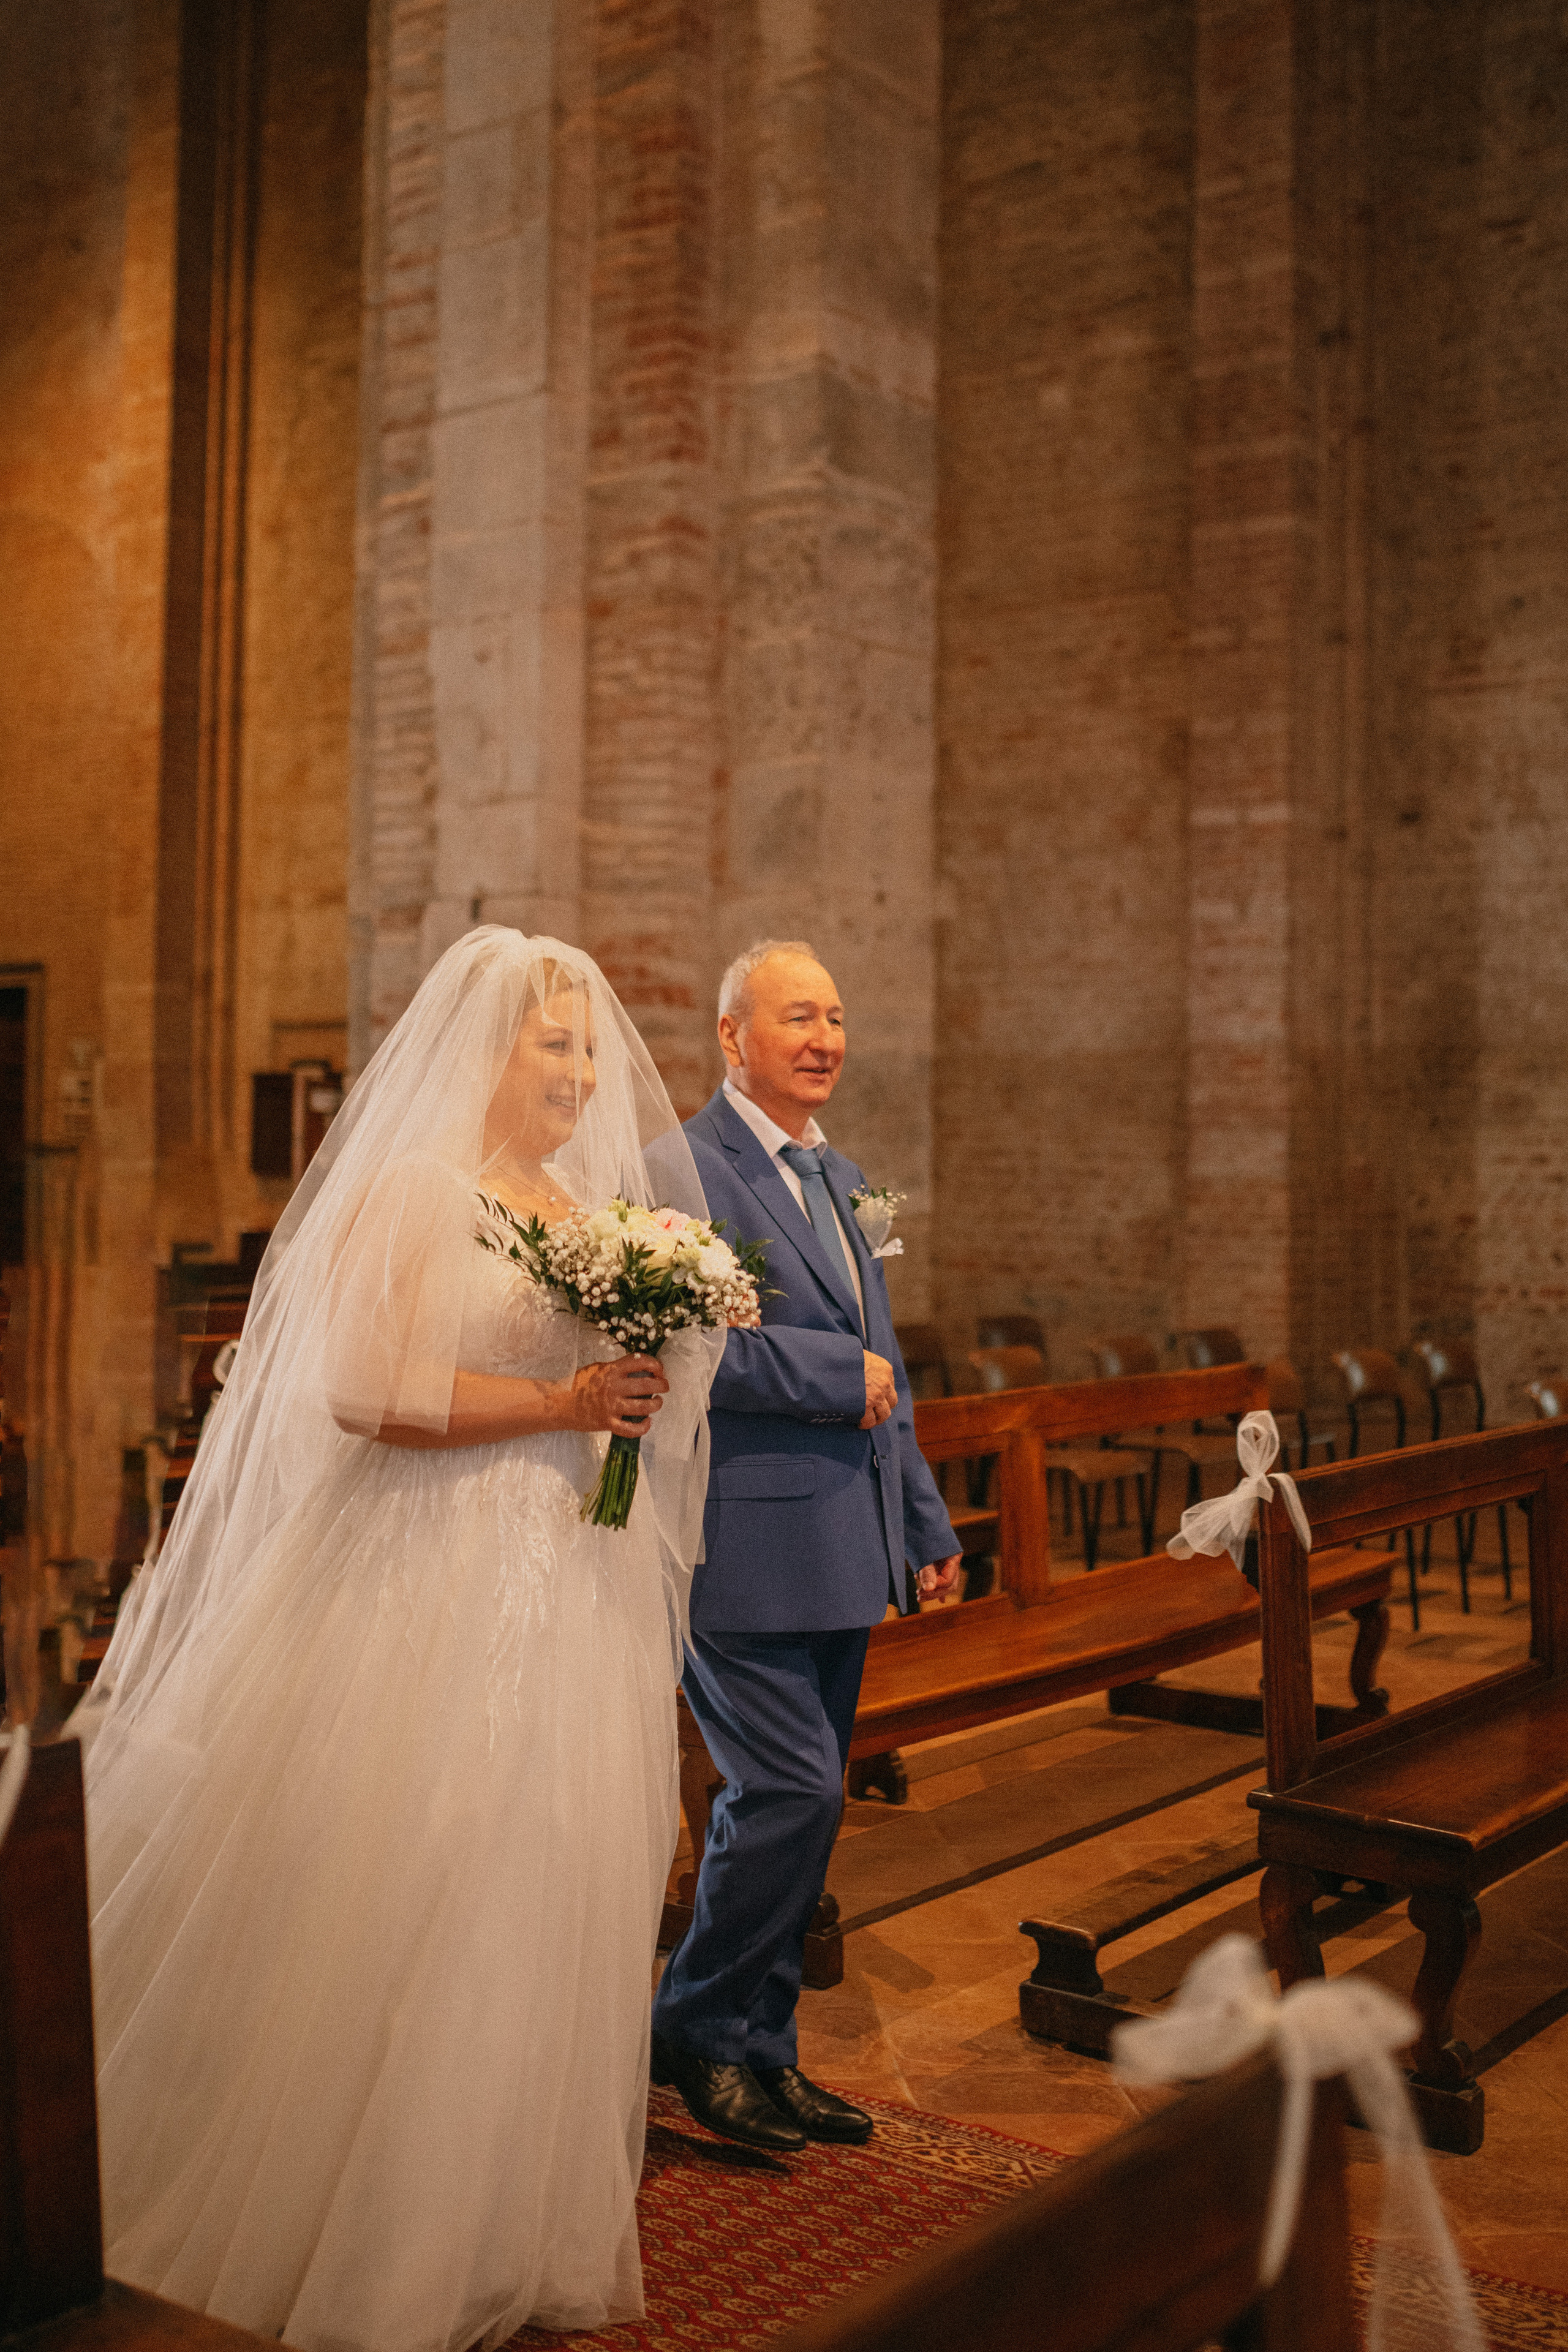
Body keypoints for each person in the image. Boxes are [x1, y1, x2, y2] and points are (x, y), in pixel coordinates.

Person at [75, 930, 725, 2352]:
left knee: (536, 1873)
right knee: (417, 1861)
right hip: (416, 1575)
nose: (577, 1071)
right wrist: (557, 1406)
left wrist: (638, 1378)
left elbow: (597, 1383)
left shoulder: (576, 1206)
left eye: (586, 1049)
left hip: (563, 1579)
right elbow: (362, 1388)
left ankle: (488, 2215)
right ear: (481, 1055)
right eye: (550, 1044)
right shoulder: (412, 1191)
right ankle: (351, 2228)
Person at [650, 939, 961, 2152]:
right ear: (733, 1036)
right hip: (739, 1544)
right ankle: (692, 2026)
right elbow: (685, 1347)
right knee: (780, 1791)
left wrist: (923, 1524)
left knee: (814, 1807)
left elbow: (897, 1370)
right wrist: (841, 1375)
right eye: (796, 1015)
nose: (823, 1037)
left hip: (844, 1544)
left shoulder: (844, 1180)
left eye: (834, 1014)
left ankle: (762, 2052)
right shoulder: (683, 1163)